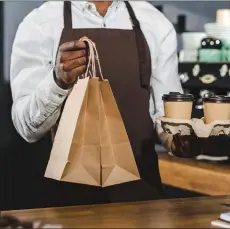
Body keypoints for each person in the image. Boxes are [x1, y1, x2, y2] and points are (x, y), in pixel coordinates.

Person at [10, 1, 183, 208]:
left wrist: (180, 140)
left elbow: (165, 114)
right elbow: (27, 128)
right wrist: (58, 81)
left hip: (140, 199)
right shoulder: (40, 23)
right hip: (65, 203)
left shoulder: (154, 23)